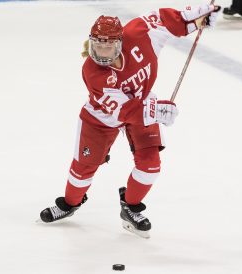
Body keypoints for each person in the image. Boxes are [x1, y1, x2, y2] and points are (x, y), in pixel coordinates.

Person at [39, 4, 221, 238]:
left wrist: (195, 20)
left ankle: (131, 207)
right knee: (82, 170)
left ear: (121, 42)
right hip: (101, 118)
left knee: (150, 165)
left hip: (142, 106)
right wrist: (156, 112)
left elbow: (165, 20)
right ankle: (69, 203)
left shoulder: (139, 33)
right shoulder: (92, 71)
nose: (102, 53)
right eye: (98, 45)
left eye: (109, 46)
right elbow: (124, 111)